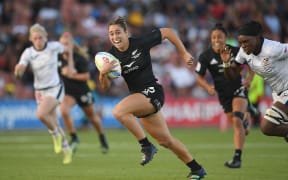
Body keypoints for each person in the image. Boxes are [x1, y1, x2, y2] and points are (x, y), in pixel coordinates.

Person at [98, 16, 206, 180]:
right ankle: (197, 169)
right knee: (165, 140)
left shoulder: (140, 43)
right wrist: (102, 72)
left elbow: (168, 32)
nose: (114, 37)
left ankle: (146, 146)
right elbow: (105, 87)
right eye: (111, 34)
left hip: (152, 91)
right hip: (139, 99)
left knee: (119, 111)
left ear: (126, 32)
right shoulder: (111, 57)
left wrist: (184, 53)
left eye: (118, 32)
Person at [195, 23, 253, 168]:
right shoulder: (205, 56)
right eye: (214, 37)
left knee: (236, 121)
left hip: (238, 88)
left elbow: (252, 63)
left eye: (219, 37)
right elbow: (199, 78)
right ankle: (246, 117)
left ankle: (237, 158)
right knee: (240, 127)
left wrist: (249, 78)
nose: (216, 39)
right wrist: (208, 87)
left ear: (226, 38)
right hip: (222, 93)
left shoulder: (236, 51)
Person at [14, 23, 72, 164]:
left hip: (55, 88)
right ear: (31, 39)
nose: (38, 41)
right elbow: (21, 65)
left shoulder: (53, 47)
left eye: (41, 37)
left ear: (46, 37)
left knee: (41, 114)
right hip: (40, 91)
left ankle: (55, 136)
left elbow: (68, 49)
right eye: (35, 38)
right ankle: (67, 149)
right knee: (54, 122)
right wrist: (18, 70)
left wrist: (70, 65)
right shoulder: (29, 52)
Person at [221, 20, 288, 142]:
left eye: (246, 41)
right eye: (240, 43)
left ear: (257, 38)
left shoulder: (273, 49)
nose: (243, 45)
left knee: (267, 127)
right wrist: (226, 63)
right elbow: (231, 75)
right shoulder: (244, 52)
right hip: (278, 93)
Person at [58, 32, 109, 154]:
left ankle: (102, 138)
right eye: (62, 44)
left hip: (82, 91)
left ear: (72, 45)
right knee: (64, 110)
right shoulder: (58, 58)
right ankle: (74, 137)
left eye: (67, 44)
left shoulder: (79, 58)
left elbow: (86, 76)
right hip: (69, 93)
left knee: (92, 117)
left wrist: (72, 73)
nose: (64, 47)